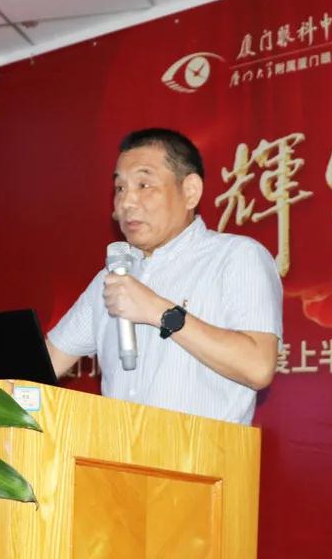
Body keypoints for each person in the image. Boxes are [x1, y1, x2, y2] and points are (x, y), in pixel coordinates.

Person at [46, 128, 282, 425]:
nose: (126, 202)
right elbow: (46, 363)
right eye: (120, 188)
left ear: (190, 191)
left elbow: (258, 367)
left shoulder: (235, 257)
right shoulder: (112, 277)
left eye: (144, 185)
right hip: (117, 452)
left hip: (202, 453)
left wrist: (159, 311)